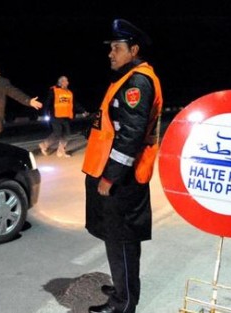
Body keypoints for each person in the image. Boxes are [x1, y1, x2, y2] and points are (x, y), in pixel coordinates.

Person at [82, 18, 163, 313]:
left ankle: (123, 303)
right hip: (117, 176)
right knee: (116, 238)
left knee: (123, 241)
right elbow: (113, 126)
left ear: (134, 50)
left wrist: (110, 178)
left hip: (124, 179)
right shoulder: (127, 78)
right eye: (111, 48)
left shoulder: (138, 82)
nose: (111, 53)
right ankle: (121, 286)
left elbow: (130, 137)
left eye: (117, 48)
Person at [38, 75, 88, 157]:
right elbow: (48, 102)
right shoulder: (54, 90)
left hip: (66, 116)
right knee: (57, 133)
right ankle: (44, 145)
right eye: (66, 81)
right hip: (56, 116)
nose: (68, 82)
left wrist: (83, 111)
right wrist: (43, 113)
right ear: (61, 82)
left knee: (67, 134)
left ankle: (61, 151)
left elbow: (75, 103)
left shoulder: (69, 92)